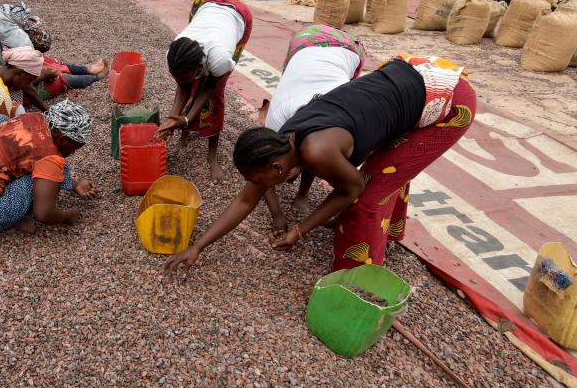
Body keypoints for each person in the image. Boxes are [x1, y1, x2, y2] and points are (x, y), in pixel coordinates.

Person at [164, 55, 477, 279]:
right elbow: (244, 201)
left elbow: (353, 189)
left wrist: (300, 231)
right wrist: (198, 246)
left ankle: (356, 281)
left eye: (261, 182)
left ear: (276, 168)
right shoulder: (283, 139)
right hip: (408, 70)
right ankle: (390, 233)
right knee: (389, 168)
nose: (259, 189)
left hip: (446, 97)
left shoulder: (316, 151)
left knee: (370, 196)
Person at [0, 99, 96, 236]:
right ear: (63, 139)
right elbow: (44, 214)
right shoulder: (50, 158)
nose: (75, 151)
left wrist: (74, 184)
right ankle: (9, 220)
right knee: (42, 173)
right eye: (76, 147)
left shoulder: (33, 118)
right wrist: (68, 215)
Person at [263, 25, 365, 214]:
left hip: (348, 48)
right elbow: (260, 176)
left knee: (315, 148)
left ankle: (302, 196)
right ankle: (301, 195)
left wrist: (301, 165)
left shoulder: (342, 119)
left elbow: (353, 184)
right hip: (306, 43)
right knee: (309, 147)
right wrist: (276, 214)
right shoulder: (275, 123)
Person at [156, 0, 253, 182]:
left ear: (200, 67)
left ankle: (212, 156)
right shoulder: (174, 53)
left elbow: (209, 88)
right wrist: (173, 120)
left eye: (186, 75)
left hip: (238, 15)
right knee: (191, 86)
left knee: (215, 97)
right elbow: (183, 85)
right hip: (205, 2)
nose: (180, 80)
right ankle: (186, 131)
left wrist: (185, 118)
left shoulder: (220, 59)